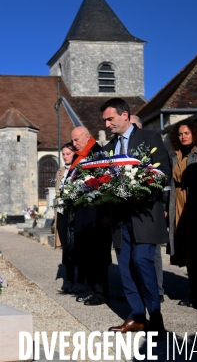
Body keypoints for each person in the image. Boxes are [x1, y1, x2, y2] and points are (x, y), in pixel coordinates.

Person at [100, 98, 171, 333]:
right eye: (105, 120)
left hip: (145, 214)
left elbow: (163, 171)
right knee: (125, 267)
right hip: (120, 218)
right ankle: (136, 316)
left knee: (142, 262)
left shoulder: (149, 138)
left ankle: (156, 315)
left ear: (125, 115)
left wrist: (142, 191)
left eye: (110, 119)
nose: (107, 124)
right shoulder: (109, 148)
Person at [167, 119, 197, 308]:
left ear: (194, 133)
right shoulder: (175, 155)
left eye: (186, 133)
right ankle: (193, 293)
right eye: (180, 134)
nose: (183, 137)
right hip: (177, 202)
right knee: (185, 248)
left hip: (194, 204)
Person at [69, 126, 109, 306]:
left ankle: (100, 293)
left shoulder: (97, 153)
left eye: (77, 140)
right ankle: (92, 290)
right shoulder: (81, 154)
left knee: (97, 255)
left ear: (87, 137)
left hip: (95, 213)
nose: (74, 144)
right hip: (83, 212)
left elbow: (103, 181)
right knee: (86, 253)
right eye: (73, 141)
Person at [130, 115, 165, 304]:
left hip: (149, 209)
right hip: (131, 211)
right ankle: (140, 292)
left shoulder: (150, 140)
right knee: (136, 256)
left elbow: (162, 174)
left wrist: (165, 206)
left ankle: (156, 290)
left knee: (151, 255)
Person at [55, 142, 84, 294]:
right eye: (64, 154)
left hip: (73, 212)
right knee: (66, 248)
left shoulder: (79, 170)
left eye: (68, 154)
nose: (65, 157)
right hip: (61, 212)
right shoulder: (60, 172)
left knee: (76, 247)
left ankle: (80, 281)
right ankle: (69, 280)